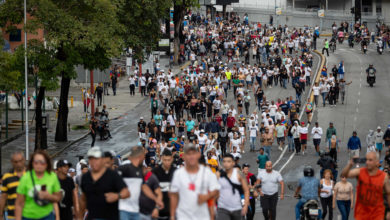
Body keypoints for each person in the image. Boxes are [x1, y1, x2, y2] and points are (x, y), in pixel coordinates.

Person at [169, 144, 220, 220]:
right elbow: (173, 195)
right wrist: (172, 216)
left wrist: (206, 197)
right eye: (188, 154)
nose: (191, 157)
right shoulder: (178, 174)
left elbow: (216, 192)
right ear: (184, 156)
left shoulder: (207, 173)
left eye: (193, 154)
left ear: (198, 155)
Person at [79, 147, 130, 220]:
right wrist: (80, 216)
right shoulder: (85, 177)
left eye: (97, 159)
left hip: (111, 217)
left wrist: (117, 196)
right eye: (91, 159)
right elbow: (83, 198)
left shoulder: (113, 175)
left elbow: (126, 193)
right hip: (93, 217)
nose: (94, 162)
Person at [118, 146, 164, 219]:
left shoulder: (141, 172)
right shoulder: (125, 167)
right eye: (143, 156)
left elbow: (144, 187)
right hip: (125, 210)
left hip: (138, 211)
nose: (143, 159)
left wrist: (156, 201)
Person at [341, 151, 390, 220]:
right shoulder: (360, 171)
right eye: (366, 160)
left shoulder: (384, 176)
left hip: (377, 214)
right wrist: (350, 164)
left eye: (370, 160)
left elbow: (388, 193)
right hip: (362, 214)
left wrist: (389, 211)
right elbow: (343, 175)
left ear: (377, 162)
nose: (367, 162)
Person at [15, 151, 62, 220]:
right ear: (32, 163)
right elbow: (19, 204)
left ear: (47, 164)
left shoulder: (52, 177)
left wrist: (48, 196)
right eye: (36, 162)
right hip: (28, 217)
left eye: (42, 162)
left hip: (47, 216)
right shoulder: (25, 178)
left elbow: (58, 198)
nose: (39, 165)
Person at [216, 154, 249, 220]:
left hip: (237, 208)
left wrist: (245, 206)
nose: (226, 163)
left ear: (233, 163)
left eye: (228, 161)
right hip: (222, 208)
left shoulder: (239, 174)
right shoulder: (218, 174)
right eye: (224, 161)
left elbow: (246, 190)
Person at [0, 152, 26, 220]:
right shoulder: (7, 177)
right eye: (16, 162)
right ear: (12, 162)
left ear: (24, 160)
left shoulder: (31, 175)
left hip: (29, 214)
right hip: (12, 215)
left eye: (20, 161)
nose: (18, 164)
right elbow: (3, 198)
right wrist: (0, 215)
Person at [152, 149, 176, 219]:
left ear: (172, 159)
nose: (167, 162)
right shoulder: (154, 171)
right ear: (161, 158)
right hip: (159, 212)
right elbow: (145, 184)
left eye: (168, 160)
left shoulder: (177, 172)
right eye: (165, 160)